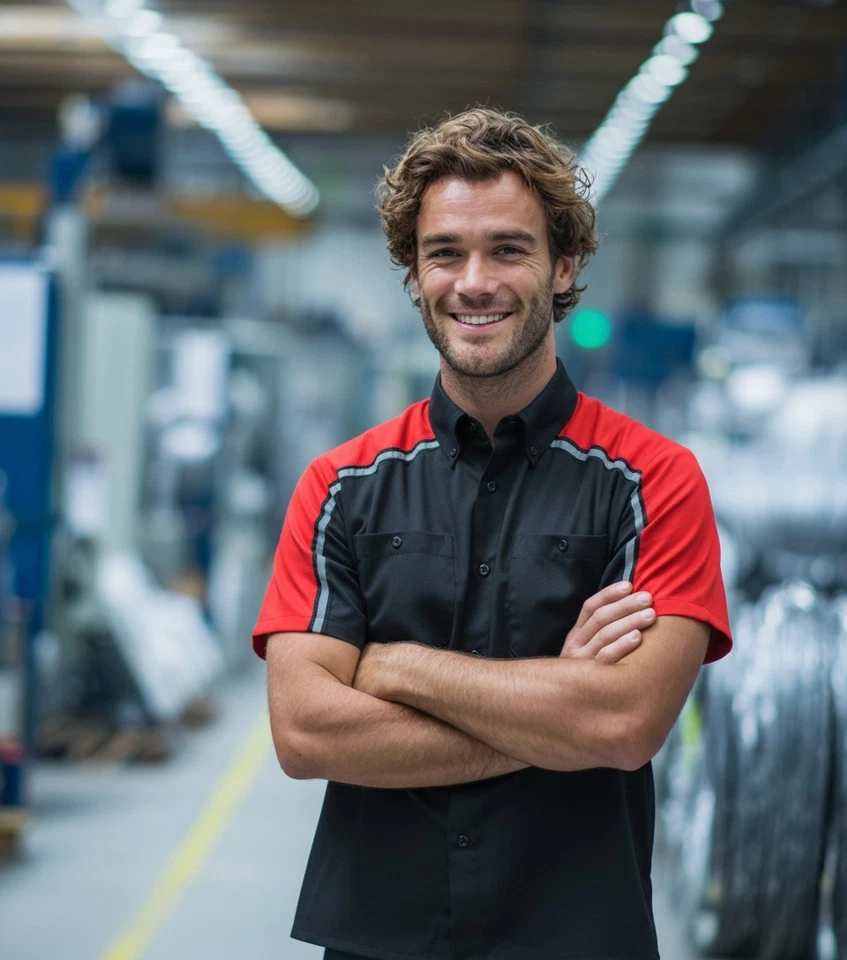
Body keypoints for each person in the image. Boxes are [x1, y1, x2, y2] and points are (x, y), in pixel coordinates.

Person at [252, 107, 732, 960]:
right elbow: (306, 732)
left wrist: (394, 667)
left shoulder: (652, 482)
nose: (473, 282)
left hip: (575, 936)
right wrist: (557, 709)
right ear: (413, 274)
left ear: (562, 266)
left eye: (508, 249)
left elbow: (624, 724)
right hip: (378, 939)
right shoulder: (339, 488)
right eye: (444, 253)